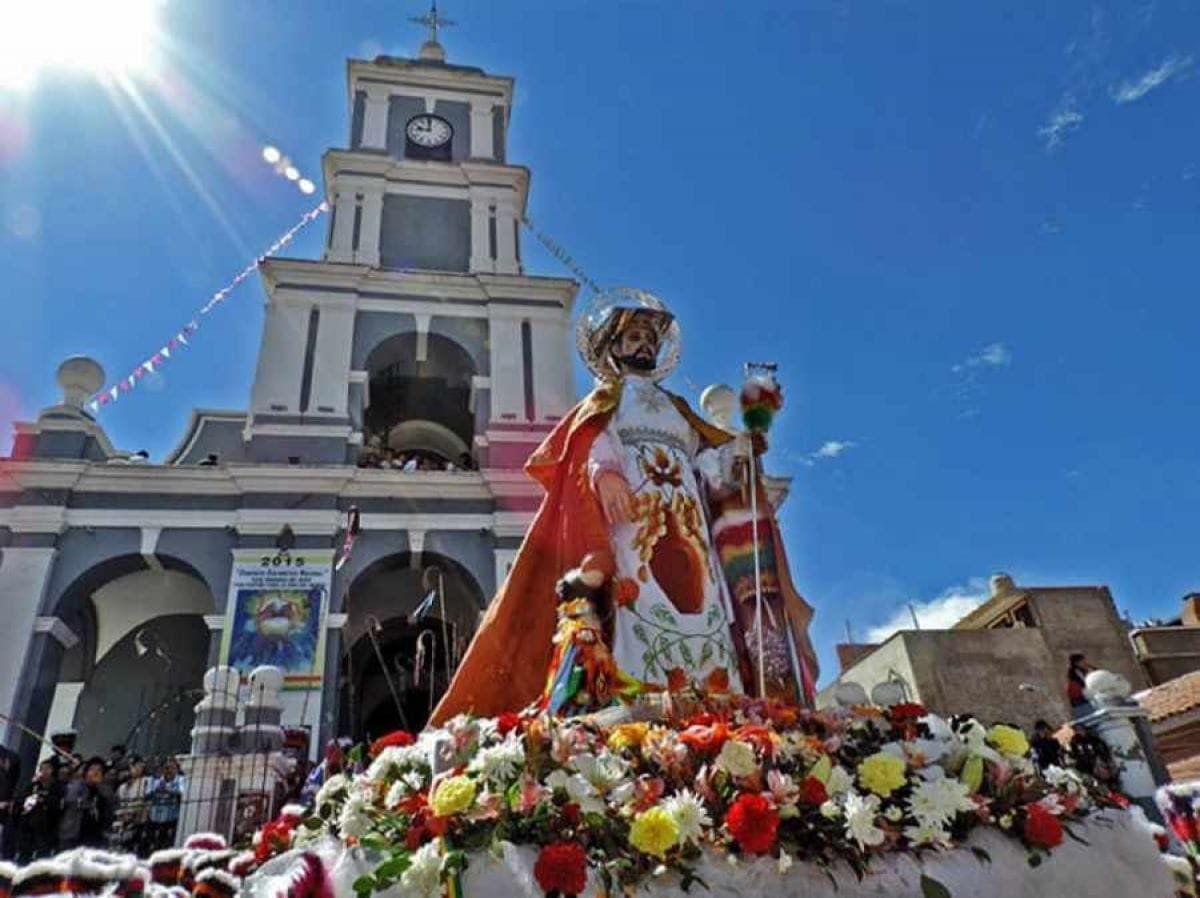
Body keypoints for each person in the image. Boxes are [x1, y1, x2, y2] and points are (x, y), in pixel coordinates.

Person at [432, 292, 816, 724]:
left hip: (688, 521)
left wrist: (736, 454)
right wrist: (605, 473)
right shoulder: (607, 402)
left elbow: (706, 464)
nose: (644, 345)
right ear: (613, 348)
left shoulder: (678, 410)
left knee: (704, 606)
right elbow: (588, 440)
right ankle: (642, 699)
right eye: (634, 337)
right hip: (632, 519)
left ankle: (714, 697)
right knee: (639, 597)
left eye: (650, 339)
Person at [58, 757, 114, 849]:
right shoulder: (75, 786)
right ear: (86, 772)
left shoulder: (104, 791)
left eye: (99, 770)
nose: (96, 772)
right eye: (92, 769)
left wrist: (100, 787)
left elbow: (108, 811)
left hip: (94, 837)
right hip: (73, 833)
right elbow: (72, 800)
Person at [13, 760, 62, 862]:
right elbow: (21, 799)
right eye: (42, 768)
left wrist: (43, 800)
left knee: (42, 857)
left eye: (48, 768)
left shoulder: (57, 787)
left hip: (46, 827)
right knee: (24, 855)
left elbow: (58, 804)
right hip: (28, 825)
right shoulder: (33, 785)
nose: (44, 771)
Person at [115, 756, 152, 854]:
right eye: (133, 766)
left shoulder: (146, 781)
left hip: (141, 822)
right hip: (124, 822)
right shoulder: (122, 787)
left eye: (139, 766)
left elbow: (148, 802)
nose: (136, 769)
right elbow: (119, 804)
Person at [146, 759, 184, 851]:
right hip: (155, 818)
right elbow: (147, 794)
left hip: (172, 819)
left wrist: (169, 791)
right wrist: (156, 791)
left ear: (177, 769)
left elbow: (182, 793)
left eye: (172, 768)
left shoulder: (181, 780)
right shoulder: (156, 781)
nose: (169, 771)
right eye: (166, 768)